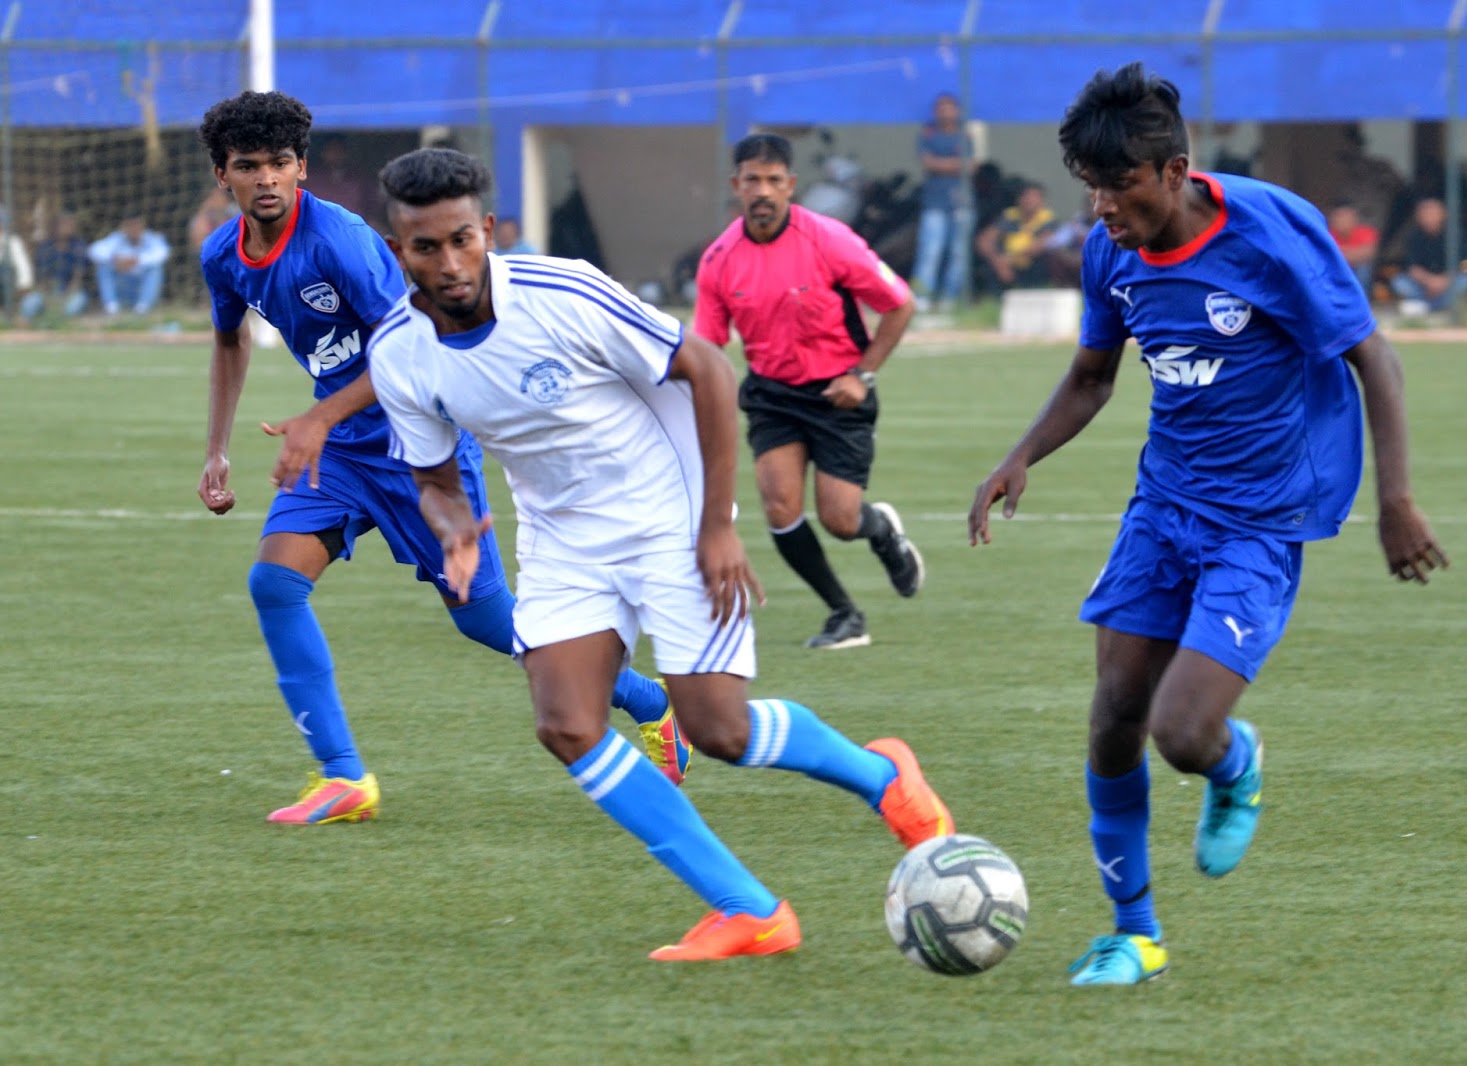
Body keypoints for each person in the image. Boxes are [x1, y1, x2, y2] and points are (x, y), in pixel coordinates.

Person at [367, 146, 956, 960]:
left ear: (488, 230)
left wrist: (715, 527)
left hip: (667, 515)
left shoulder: (560, 291)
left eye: (463, 239)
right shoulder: (398, 352)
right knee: (567, 724)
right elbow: (433, 474)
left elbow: (708, 370)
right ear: (397, 251)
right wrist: (456, 525)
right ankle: (749, 909)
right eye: (426, 248)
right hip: (561, 537)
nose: (450, 262)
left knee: (721, 730)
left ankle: (881, 777)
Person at [969, 62, 1448, 986]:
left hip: (1260, 522)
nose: (1103, 207)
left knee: (1181, 735)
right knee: (1113, 716)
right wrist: (1020, 455)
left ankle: (1236, 764)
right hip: (1165, 505)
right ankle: (1134, 932)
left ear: (1176, 170)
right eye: (1092, 187)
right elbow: (1094, 377)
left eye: (1120, 186)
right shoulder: (1112, 252)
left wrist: (1394, 500)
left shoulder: (1271, 235)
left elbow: (1373, 359)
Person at [193, 91, 685, 826]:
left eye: (280, 164)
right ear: (221, 175)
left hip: (415, 442)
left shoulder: (342, 242)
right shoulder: (221, 256)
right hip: (338, 451)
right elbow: (230, 340)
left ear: (300, 169)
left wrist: (320, 416)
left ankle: (647, 700)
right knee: (274, 583)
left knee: (487, 623)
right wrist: (217, 451)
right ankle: (343, 778)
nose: (266, 179)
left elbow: (412, 344)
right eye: (248, 166)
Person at [693, 134, 925, 651]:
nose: (763, 191)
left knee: (841, 520)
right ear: (736, 185)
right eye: (753, 179)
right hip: (773, 394)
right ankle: (845, 614)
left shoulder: (830, 239)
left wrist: (862, 376)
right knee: (780, 507)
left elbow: (899, 304)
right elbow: (705, 351)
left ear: (791, 186)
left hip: (839, 391)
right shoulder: (718, 260)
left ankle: (881, 529)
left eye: (774, 180)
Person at [910, 92, 975, 312]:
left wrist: (943, 164)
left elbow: (972, 166)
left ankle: (950, 298)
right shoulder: (928, 134)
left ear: (957, 111)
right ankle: (922, 296)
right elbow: (928, 163)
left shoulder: (965, 135)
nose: (946, 112)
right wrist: (956, 165)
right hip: (934, 203)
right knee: (930, 250)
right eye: (941, 108)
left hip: (962, 202)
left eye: (950, 107)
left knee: (959, 252)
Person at [1389, 197, 1467, 316]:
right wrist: (1430, 282)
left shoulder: (1455, 235)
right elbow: (1412, 268)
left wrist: (1443, 281)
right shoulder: (1413, 237)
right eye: (1425, 214)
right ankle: (1431, 306)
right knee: (1400, 282)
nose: (1429, 218)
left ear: (1443, 214)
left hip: (1448, 282)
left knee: (1466, 281)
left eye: (1433, 213)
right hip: (1423, 285)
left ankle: (1428, 306)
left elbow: (1464, 265)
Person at [975, 182, 1061, 293]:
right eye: (1026, 196)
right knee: (989, 269)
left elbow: (1040, 245)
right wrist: (998, 262)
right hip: (1005, 265)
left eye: (1034, 197)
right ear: (1019, 199)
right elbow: (983, 241)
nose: (1030, 201)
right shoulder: (1009, 216)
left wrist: (1010, 259)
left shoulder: (1049, 219)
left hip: (1033, 265)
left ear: (1042, 201)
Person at [88, 214, 169, 315]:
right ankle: (112, 309)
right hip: (122, 287)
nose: (134, 229)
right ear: (124, 227)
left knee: (155, 269)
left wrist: (136, 261)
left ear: (143, 226)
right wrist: (115, 259)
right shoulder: (116, 239)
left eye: (137, 225)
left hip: (140, 288)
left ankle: (142, 309)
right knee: (104, 267)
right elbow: (93, 250)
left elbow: (163, 253)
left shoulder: (152, 238)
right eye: (130, 225)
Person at [22, 210, 89, 320]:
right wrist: (48, 298)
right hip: (47, 292)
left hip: (70, 292)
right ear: (54, 227)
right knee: (30, 303)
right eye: (63, 224)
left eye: (70, 224)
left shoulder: (79, 247)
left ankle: (62, 324)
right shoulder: (45, 248)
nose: (67, 227)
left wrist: (66, 297)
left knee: (78, 302)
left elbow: (78, 278)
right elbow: (41, 279)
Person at [1327, 200, 1379, 295]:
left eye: (1346, 216)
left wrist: (1340, 252)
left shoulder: (1366, 232)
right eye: (1338, 216)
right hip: (1337, 269)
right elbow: (1326, 256)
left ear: (1354, 218)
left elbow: (1368, 254)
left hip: (1359, 271)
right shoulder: (1326, 234)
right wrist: (1354, 253)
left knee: (1364, 268)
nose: (1342, 220)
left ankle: (1361, 299)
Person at [0, 205, 35, 323]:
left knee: (33, 301)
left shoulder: (13, 242)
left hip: (9, 292)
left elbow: (24, 271)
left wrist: (22, 291)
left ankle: (13, 315)